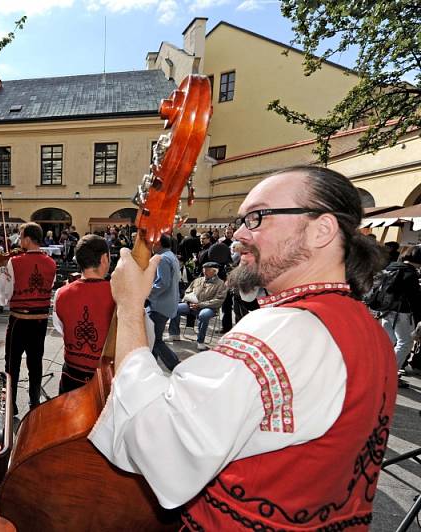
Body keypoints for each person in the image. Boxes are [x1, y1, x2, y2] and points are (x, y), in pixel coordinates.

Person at [89, 166, 396, 530]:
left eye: (257, 217)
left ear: (321, 230)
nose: (237, 234)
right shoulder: (366, 326)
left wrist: (128, 306)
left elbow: (163, 444)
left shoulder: (283, 330)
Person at [0, 222, 57, 415]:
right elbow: (48, 286)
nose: (19, 240)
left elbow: (5, 294)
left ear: (27, 238)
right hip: (40, 321)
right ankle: (34, 402)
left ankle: (11, 404)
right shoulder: (51, 263)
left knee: (12, 362)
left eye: (21, 236)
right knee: (35, 361)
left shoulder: (15, 261)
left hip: (19, 320)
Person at [52, 235, 113, 394]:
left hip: (71, 377)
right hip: (106, 380)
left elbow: (60, 327)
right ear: (104, 258)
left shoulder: (61, 293)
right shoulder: (118, 294)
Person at [373, 245, 421, 387]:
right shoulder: (410, 274)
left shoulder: (391, 267)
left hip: (385, 310)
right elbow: (414, 298)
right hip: (402, 313)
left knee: (389, 341)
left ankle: (379, 370)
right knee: (405, 343)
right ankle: (388, 374)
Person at [146, 234, 181, 371]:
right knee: (154, 337)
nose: (151, 246)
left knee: (154, 339)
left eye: (152, 243)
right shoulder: (171, 256)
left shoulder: (163, 258)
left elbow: (163, 283)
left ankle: (174, 364)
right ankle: (152, 365)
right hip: (167, 304)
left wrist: (147, 293)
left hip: (160, 305)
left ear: (158, 244)